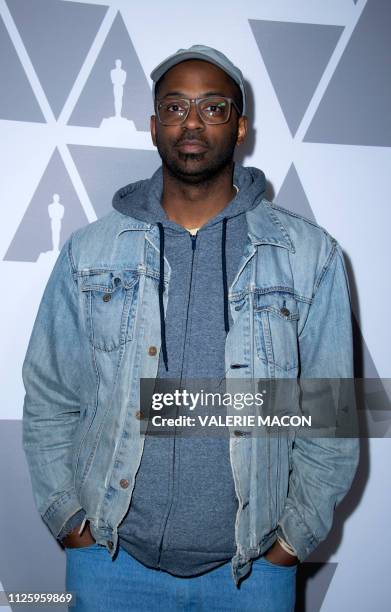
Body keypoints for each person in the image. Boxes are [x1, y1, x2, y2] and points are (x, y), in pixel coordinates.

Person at [22, 45, 359, 611]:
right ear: (155, 126)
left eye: (213, 107)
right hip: (110, 565)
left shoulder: (308, 255)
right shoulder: (91, 251)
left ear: (241, 125)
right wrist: (71, 524)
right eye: (175, 108)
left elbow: (329, 411)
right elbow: (51, 395)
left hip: (252, 573)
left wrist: (289, 543)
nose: (192, 123)